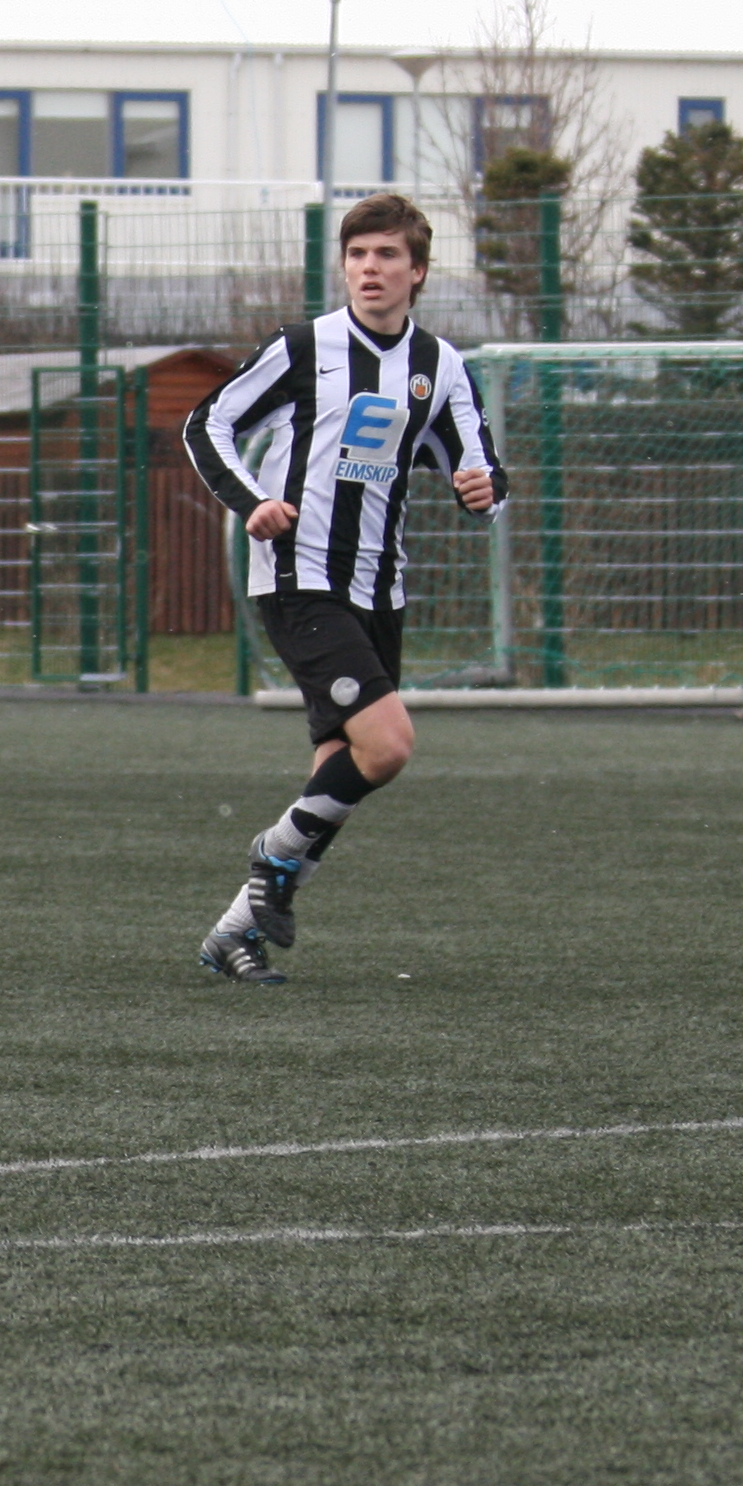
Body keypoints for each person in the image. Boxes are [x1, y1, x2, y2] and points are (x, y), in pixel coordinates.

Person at [178, 189, 506, 983]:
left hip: (379, 587)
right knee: (389, 745)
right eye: (358, 254)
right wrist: (251, 502)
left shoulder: (439, 365)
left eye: (387, 255)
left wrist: (484, 491)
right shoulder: (304, 347)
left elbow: (482, 466)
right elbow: (205, 423)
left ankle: (231, 934)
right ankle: (274, 856)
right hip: (300, 574)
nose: (369, 268)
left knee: (341, 764)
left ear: (417, 271)